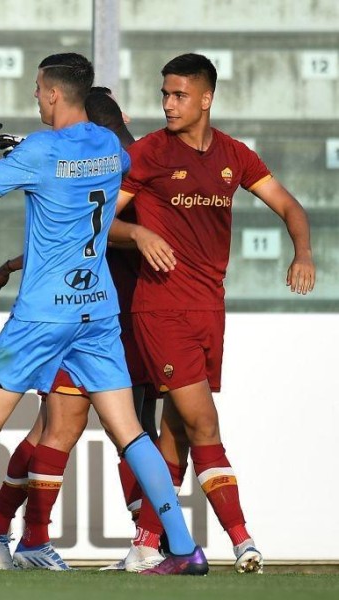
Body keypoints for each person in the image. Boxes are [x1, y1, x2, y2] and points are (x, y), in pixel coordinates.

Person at [0, 52, 207, 576]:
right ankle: (184, 546)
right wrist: (35, 152)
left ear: (54, 94)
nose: (36, 97)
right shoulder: (106, 145)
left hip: (43, 310)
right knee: (129, 429)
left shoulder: (39, 150)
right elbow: (108, 162)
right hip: (97, 307)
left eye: (38, 89)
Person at [109, 53, 315, 574]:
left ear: (206, 98)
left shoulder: (234, 155)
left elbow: (291, 207)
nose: (168, 104)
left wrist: (303, 253)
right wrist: (138, 232)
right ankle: (242, 540)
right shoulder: (148, 152)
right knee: (204, 420)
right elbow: (95, 221)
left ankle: (145, 543)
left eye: (179, 95)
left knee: (177, 429)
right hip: (161, 308)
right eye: (164, 94)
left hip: (209, 308)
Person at [0, 89, 157, 571]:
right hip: (96, 310)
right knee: (65, 426)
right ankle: (31, 535)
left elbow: (91, 222)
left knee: (69, 427)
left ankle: (0, 526)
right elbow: (80, 229)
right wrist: (14, 262)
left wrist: (136, 233)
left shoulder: (131, 158)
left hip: (122, 310)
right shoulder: (121, 154)